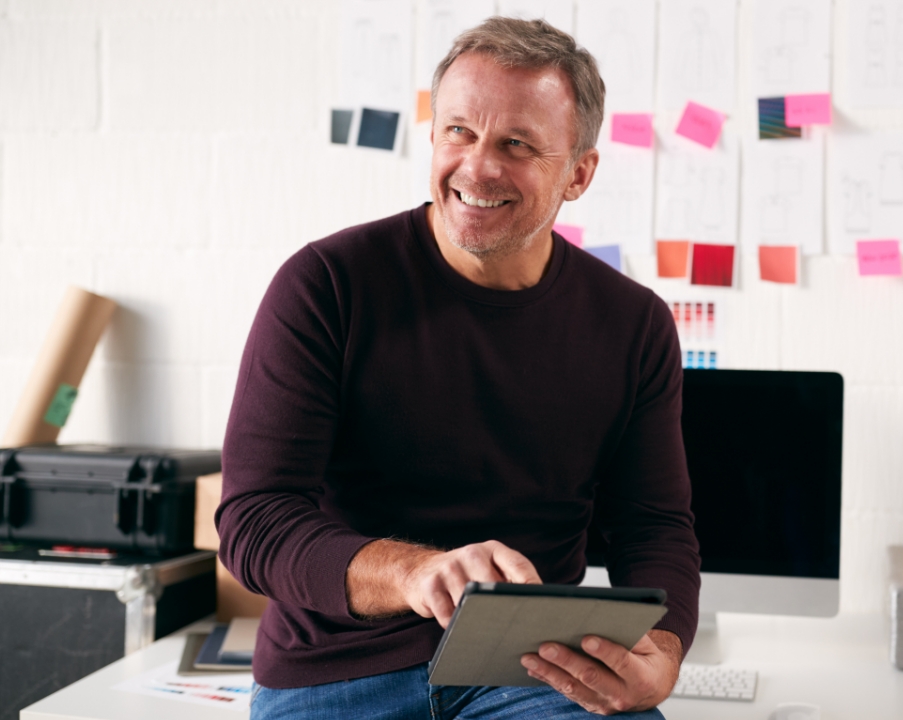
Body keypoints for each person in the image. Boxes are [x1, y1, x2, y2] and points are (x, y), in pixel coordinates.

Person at [215, 17, 700, 720]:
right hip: (335, 671)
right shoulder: (325, 285)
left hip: (530, 668)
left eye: (516, 144)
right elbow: (254, 521)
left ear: (579, 174)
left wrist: (664, 650)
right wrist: (417, 573)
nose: (477, 167)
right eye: (459, 132)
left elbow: (653, 526)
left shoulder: (634, 324)